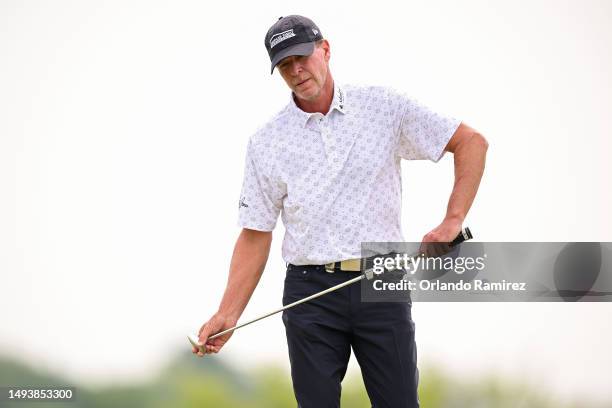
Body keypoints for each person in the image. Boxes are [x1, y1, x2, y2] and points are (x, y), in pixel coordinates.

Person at [192, 14, 488, 408]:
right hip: (308, 292)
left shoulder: (382, 107)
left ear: (325, 50)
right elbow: (255, 233)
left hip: (381, 281)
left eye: (302, 57)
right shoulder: (266, 142)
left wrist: (453, 220)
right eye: (284, 65)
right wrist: (228, 312)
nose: (296, 71)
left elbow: (471, 142)